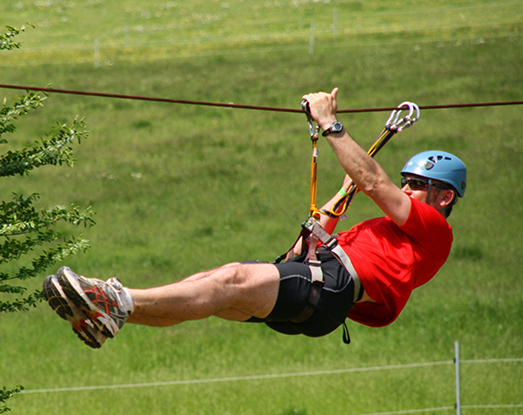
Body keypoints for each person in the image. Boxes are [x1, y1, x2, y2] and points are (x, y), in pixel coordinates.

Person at [43, 88, 467, 348]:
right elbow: (323, 231)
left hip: (332, 288)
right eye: (406, 181)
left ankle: (115, 298)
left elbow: (375, 182)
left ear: (443, 196)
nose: (406, 188)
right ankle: (107, 316)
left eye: (416, 184)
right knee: (207, 287)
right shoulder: (389, 233)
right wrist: (337, 201)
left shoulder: (434, 230)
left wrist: (330, 123)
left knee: (228, 279)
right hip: (319, 284)